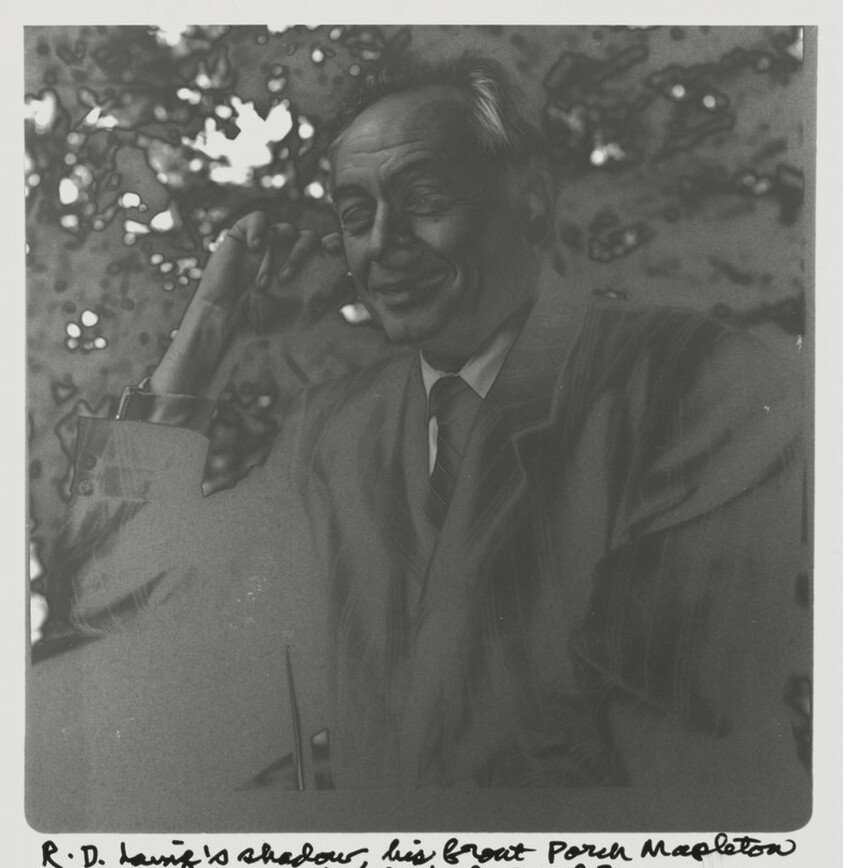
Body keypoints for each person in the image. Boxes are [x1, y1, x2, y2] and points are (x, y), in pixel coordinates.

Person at [33, 54, 809, 825]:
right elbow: (112, 590)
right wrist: (206, 323)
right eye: (352, 214)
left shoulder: (692, 383)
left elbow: (682, 755)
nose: (383, 242)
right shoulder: (338, 431)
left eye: (423, 198)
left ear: (532, 204)